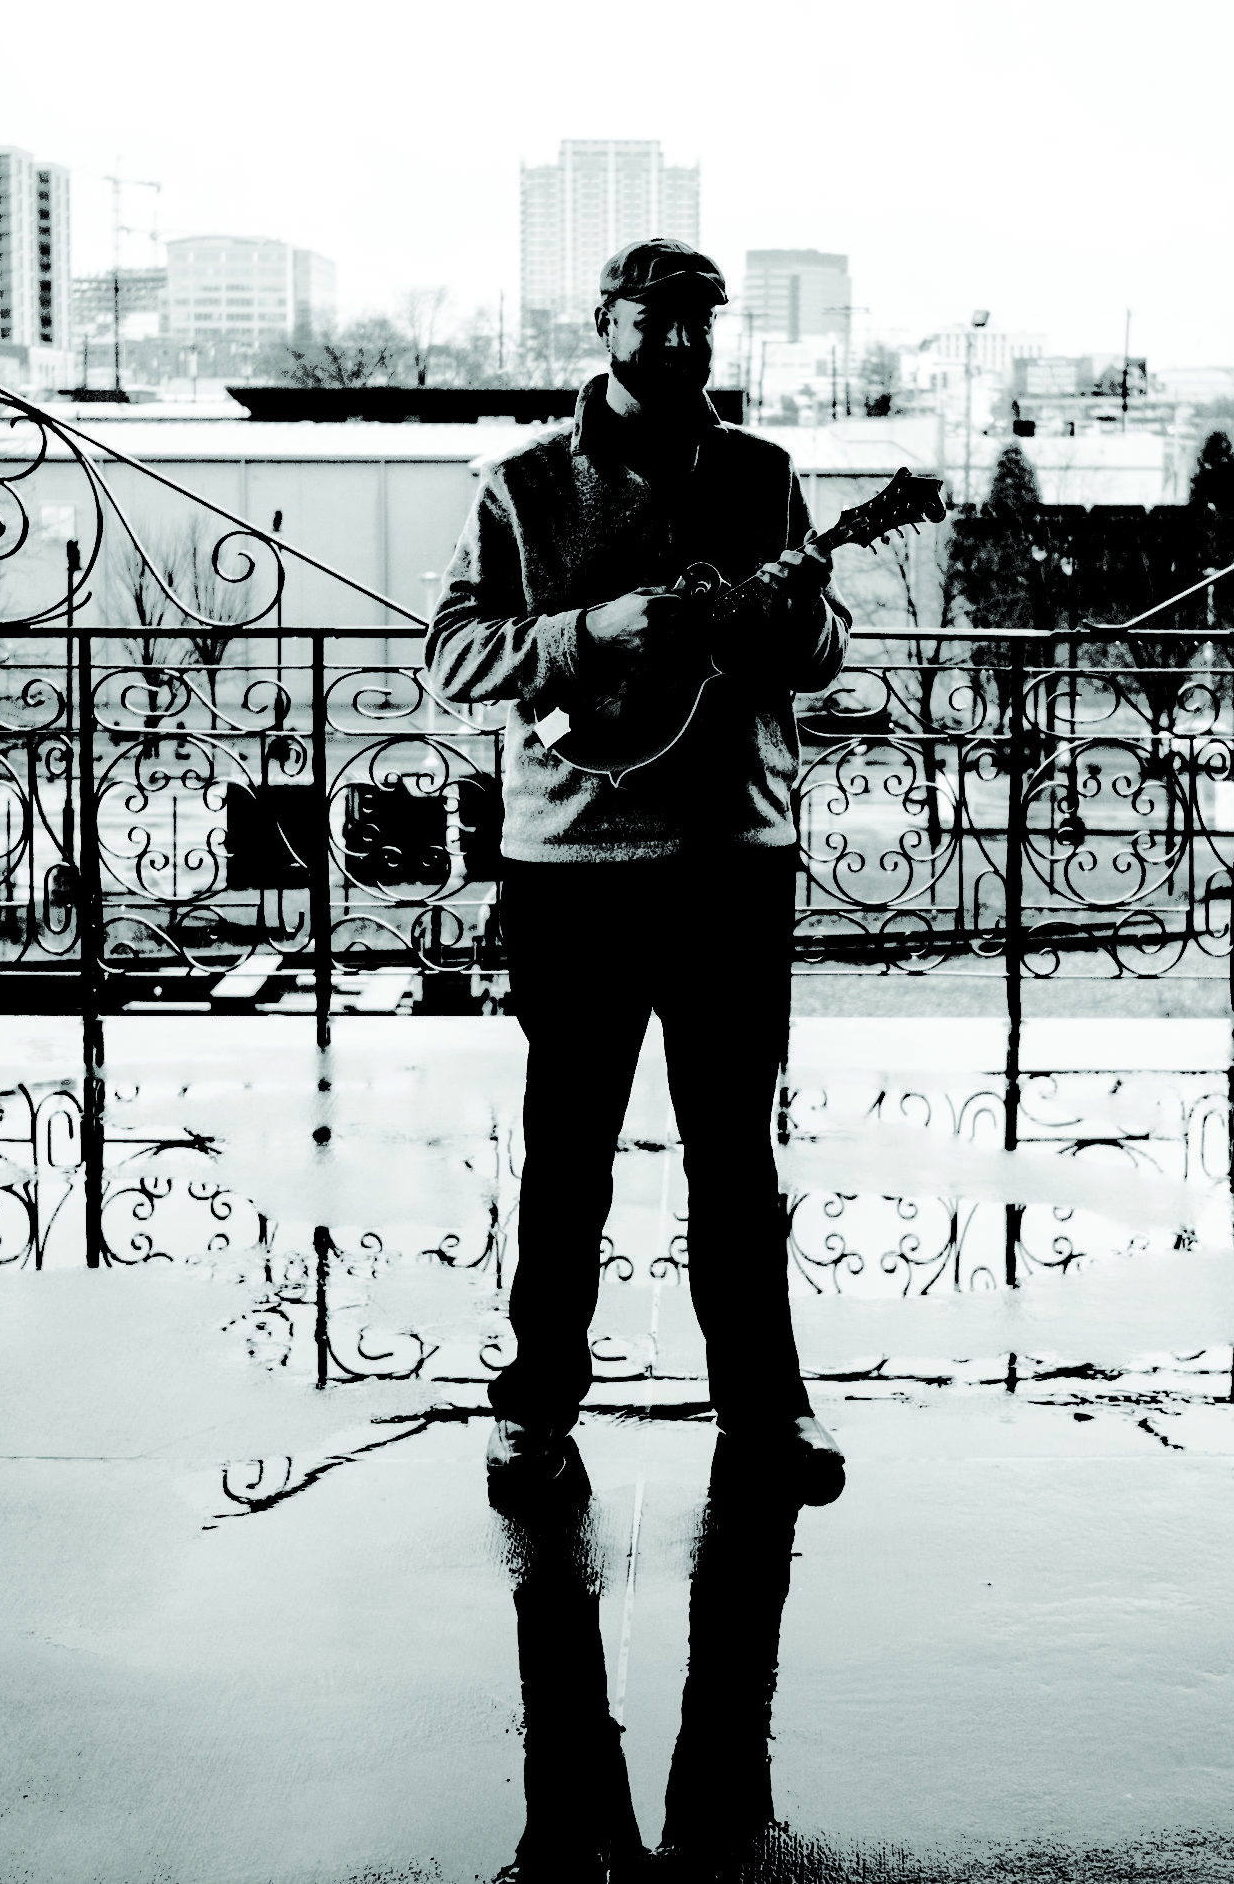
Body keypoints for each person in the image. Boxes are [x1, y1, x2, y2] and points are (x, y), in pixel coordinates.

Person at [426, 236, 849, 1513]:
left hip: (731, 861)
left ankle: (766, 1410)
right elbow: (450, 658)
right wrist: (589, 632)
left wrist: (796, 622)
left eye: (700, 326)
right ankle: (534, 1412)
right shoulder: (519, 490)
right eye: (656, 321)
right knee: (569, 1153)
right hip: (573, 873)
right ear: (603, 325)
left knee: (735, 1158)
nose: (680, 344)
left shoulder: (765, 478)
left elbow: (824, 653)